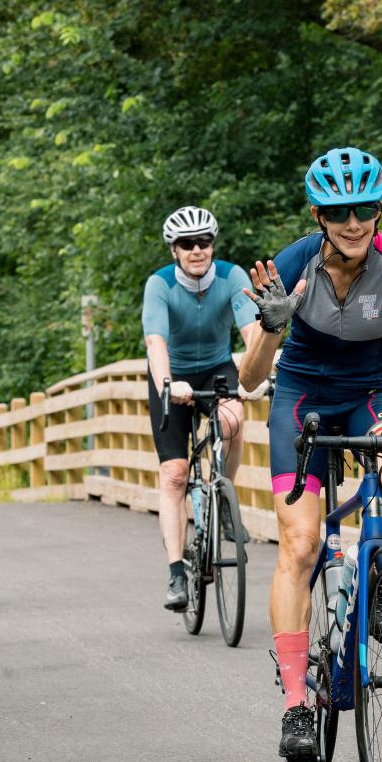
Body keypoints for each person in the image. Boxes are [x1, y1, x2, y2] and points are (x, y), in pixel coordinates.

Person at [237, 147, 382, 762]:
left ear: (379, 210)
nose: (354, 223)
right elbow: (251, 378)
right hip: (300, 396)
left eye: (365, 209)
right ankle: (296, 704)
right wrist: (272, 328)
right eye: (339, 212)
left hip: (368, 393)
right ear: (319, 215)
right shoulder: (292, 265)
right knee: (301, 542)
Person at [142, 205, 258, 612]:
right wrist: (167, 384)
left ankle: (223, 496)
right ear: (174, 250)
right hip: (171, 373)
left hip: (216, 367)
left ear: (213, 244)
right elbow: (155, 342)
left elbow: (251, 333)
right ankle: (176, 573)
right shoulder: (159, 284)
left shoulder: (232, 277)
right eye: (187, 244)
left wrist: (260, 374)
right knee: (174, 474)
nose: (197, 250)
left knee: (233, 419)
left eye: (204, 242)